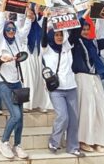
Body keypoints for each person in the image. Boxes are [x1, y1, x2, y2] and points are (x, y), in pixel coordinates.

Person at [68, 7, 104, 153]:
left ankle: (98, 140)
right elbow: (75, 29)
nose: (86, 32)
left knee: (99, 110)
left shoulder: (93, 43)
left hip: (95, 79)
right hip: (82, 78)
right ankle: (83, 140)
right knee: (86, 111)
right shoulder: (74, 42)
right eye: (83, 29)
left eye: (87, 29)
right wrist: (88, 10)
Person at [41, 12, 85, 157]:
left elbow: (77, 31)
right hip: (56, 89)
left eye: (61, 35)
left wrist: (87, 12)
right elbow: (43, 36)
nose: (59, 37)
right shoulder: (46, 49)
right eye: (56, 35)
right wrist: (46, 17)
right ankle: (54, 141)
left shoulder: (67, 45)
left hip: (71, 87)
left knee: (73, 119)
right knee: (63, 116)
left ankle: (73, 147)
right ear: (52, 36)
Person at [0, 0, 32, 160]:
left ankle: (17, 145)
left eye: (13, 29)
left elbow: (26, 28)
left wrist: (29, 7)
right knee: (15, 115)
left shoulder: (17, 39)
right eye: (8, 29)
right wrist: (3, 4)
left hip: (16, 81)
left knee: (21, 117)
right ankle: (3, 142)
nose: (11, 31)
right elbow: (1, 20)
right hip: (3, 81)